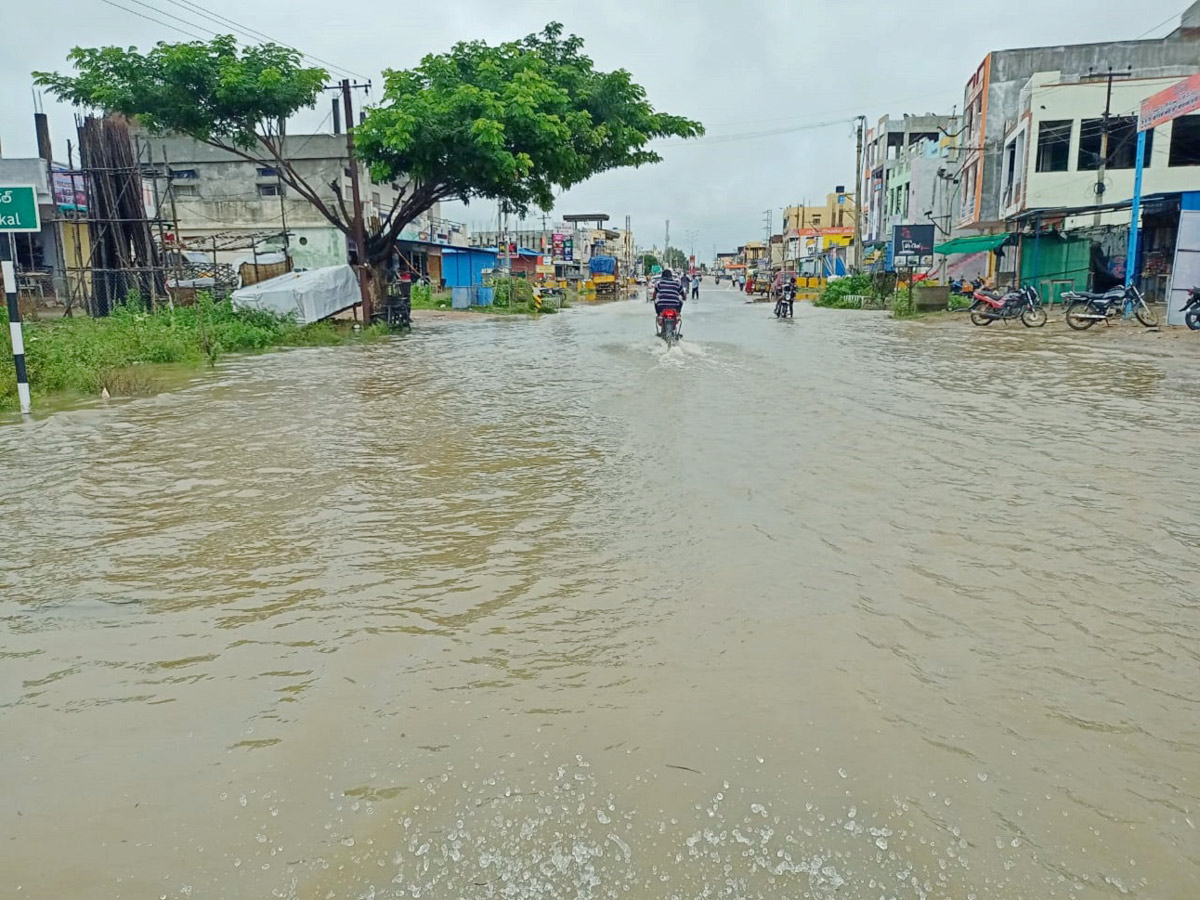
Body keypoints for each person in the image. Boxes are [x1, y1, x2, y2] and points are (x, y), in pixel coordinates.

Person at [653, 267, 685, 336]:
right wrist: (684, 298)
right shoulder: (677, 283)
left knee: (655, 301)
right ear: (671, 276)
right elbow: (683, 295)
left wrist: (654, 298)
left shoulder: (659, 283)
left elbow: (654, 295)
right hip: (675, 307)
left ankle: (659, 315)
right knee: (681, 301)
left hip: (662, 307)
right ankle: (678, 314)